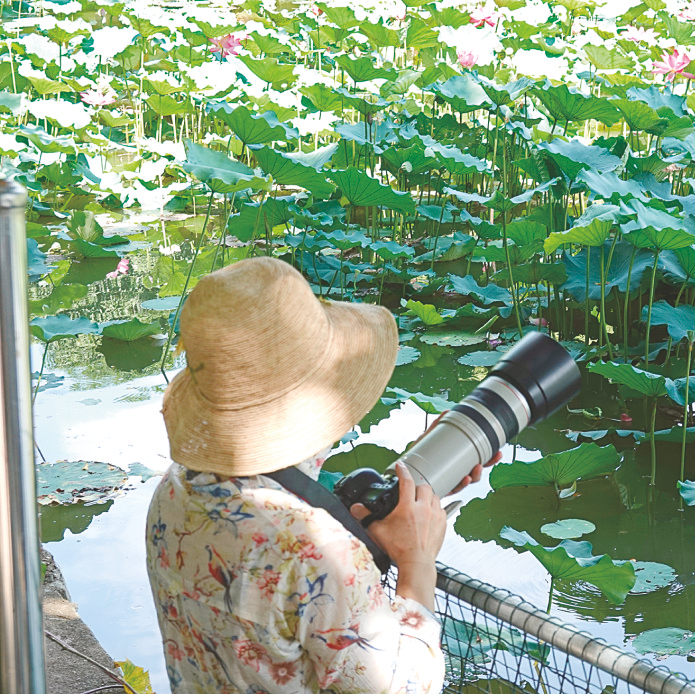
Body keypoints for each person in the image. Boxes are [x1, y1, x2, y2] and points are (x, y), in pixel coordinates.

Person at [145, 257, 487, 693]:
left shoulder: (175, 489)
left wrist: (420, 477)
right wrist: (416, 565)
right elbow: (406, 687)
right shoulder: (314, 552)